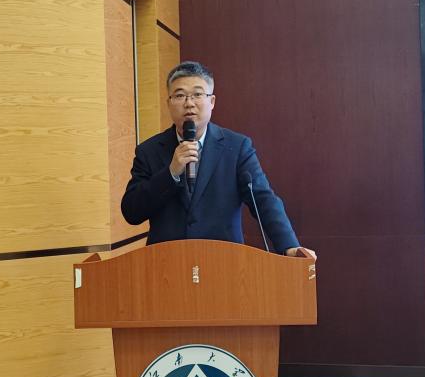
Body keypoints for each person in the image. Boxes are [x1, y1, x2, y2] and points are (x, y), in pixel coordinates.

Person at [121, 61, 315, 258]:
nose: (189, 103)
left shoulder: (237, 147)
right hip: (167, 263)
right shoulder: (149, 151)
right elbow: (131, 211)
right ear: (169, 103)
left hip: (223, 262)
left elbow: (263, 199)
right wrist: (170, 173)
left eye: (197, 94)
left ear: (212, 101)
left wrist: (289, 246)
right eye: (180, 95)